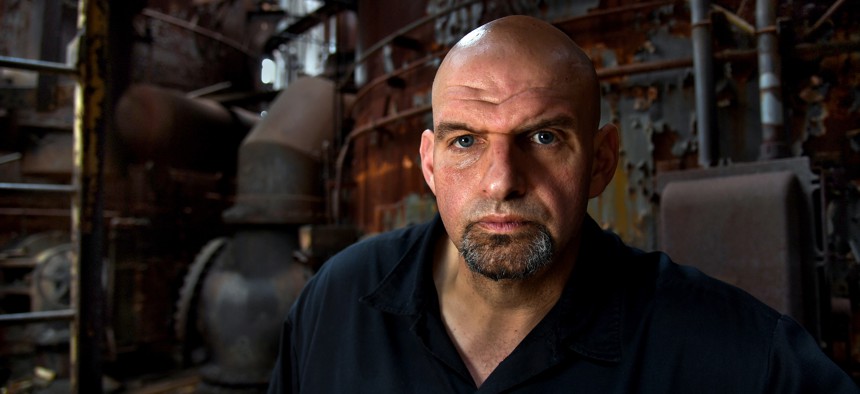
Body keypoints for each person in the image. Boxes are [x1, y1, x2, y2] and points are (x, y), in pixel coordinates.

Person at [268, 15, 858, 393]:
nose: (502, 182)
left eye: (544, 138)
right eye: (466, 141)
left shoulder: (736, 358)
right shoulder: (336, 304)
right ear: (429, 163)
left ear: (602, 161)